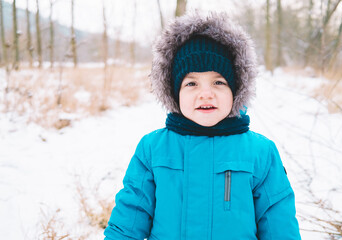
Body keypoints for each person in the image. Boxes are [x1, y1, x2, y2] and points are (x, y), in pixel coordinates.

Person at [104, 11, 301, 240]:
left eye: (218, 82)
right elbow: (129, 220)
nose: (205, 94)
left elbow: (280, 226)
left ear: (236, 89)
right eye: (191, 83)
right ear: (174, 92)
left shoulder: (260, 152)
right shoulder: (152, 149)